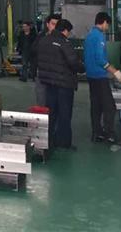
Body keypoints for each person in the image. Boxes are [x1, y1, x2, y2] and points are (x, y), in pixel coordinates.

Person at [36, 18, 84, 150]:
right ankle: (64, 142)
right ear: (65, 30)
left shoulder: (44, 40)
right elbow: (73, 62)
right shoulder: (63, 42)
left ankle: (49, 140)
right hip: (64, 83)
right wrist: (82, 68)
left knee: (51, 112)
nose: (69, 34)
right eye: (69, 32)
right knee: (65, 113)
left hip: (49, 82)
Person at [84, 11, 121, 144]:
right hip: (99, 76)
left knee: (96, 106)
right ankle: (110, 134)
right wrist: (115, 72)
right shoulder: (99, 36)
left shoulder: (89, 35)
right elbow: (100, 59)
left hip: (90, 76)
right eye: (107, 25)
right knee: (109, 107)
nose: (107, 28)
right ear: (104, 22)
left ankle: (97, 133)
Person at [31, 14, 61, 106]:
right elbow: (33, 50)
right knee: (42, 98)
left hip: (56, 73)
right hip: (42, 71)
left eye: (57, 24)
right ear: (47, 24)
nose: (55, 27)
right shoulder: (41, 36)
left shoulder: (61, 38)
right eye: (53, 24)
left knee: (54, 100)